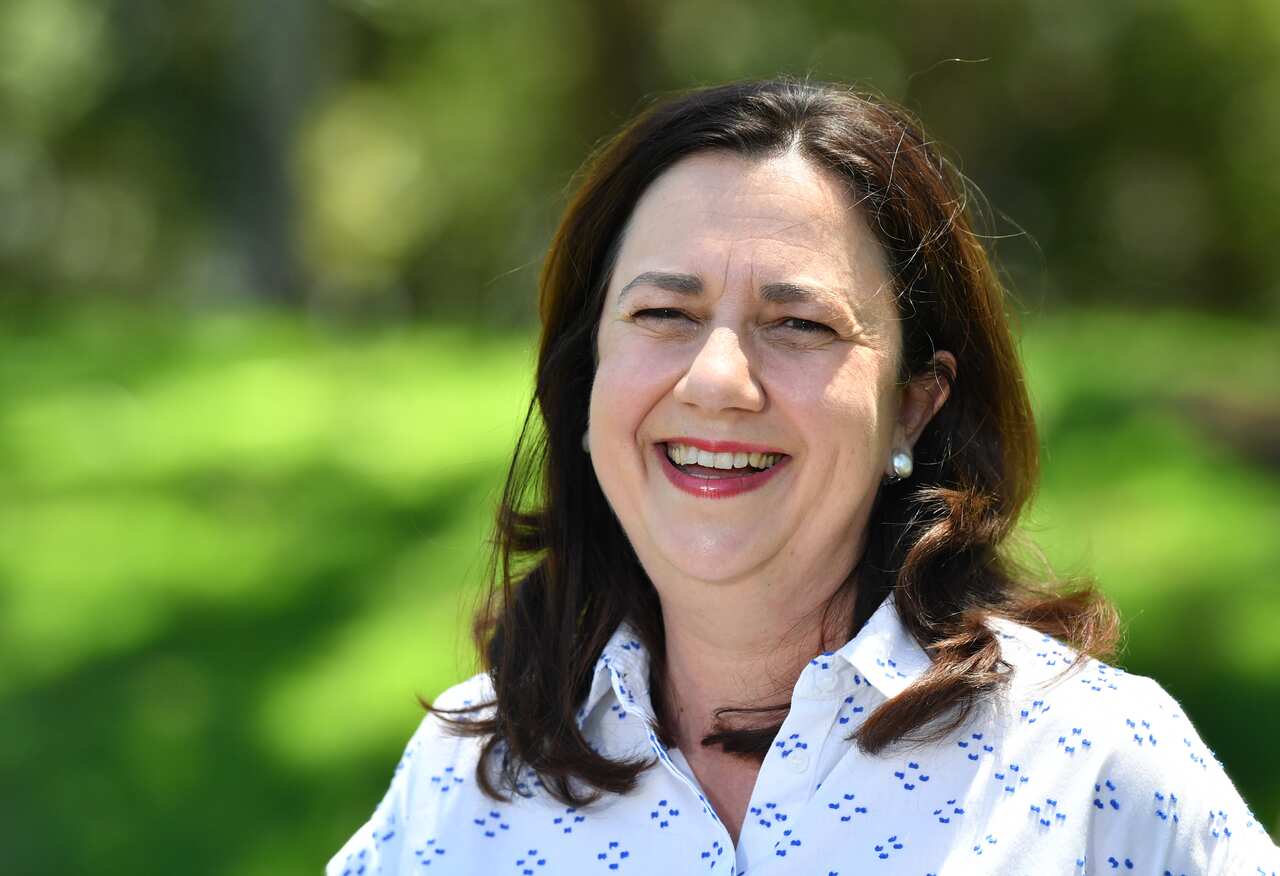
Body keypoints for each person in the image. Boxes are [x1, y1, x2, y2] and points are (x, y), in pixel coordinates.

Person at [327, 78, 1279, 875]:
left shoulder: (1096, 765)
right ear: (588, 378)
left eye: (800, 325)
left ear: (915, 401)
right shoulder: (469, 775)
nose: (716, 381)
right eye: (664, 312)